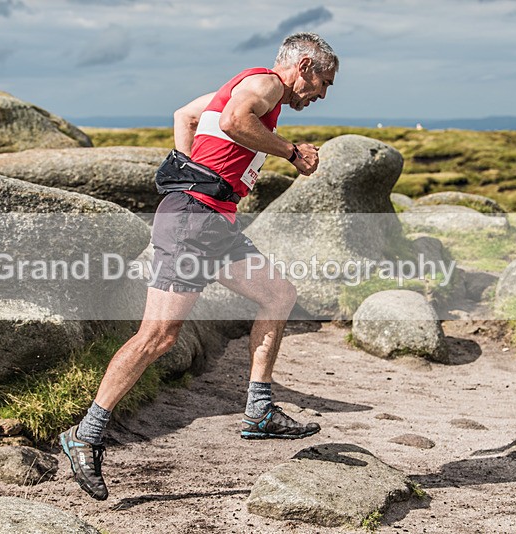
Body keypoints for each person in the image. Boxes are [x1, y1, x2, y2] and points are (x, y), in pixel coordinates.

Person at [59, 32, 339, 501]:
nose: (323, 94)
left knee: (278, 295)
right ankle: (84, 434)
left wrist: (193, 171)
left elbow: (186, 115)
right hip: (192, 221)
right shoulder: (268, 84)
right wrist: (291, 152)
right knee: (158, 337)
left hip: (212, 222)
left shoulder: (241, 86)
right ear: (305, 65)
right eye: (324, 82)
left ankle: (259, 410)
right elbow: (233, 121)